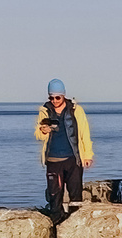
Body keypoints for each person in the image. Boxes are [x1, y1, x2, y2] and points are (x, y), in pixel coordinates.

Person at [35, 80, 92, 219]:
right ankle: (56, 226)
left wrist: (87, 155)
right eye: (51, 97)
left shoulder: (75, 110)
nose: (54, 101)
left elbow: (84, 133)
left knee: (75, 196)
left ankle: (75, 225)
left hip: (73, 159)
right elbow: (38, 135)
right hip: (53, 160)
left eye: (57, 97)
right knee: (55, 197)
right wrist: (43, 131)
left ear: (63, 96)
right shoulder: (45, 110)